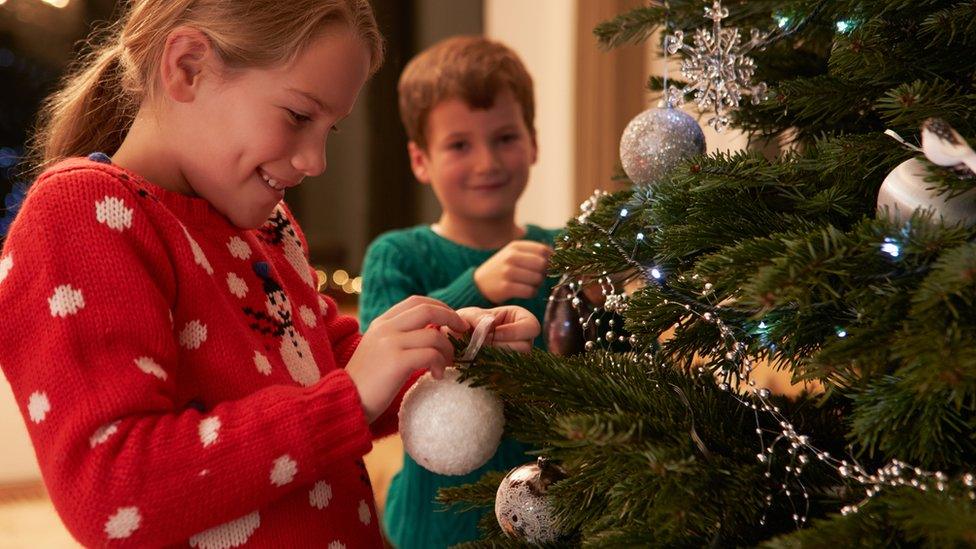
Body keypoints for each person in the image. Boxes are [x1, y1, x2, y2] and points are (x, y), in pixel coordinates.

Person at [0, 2, 539, 547]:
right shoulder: (80, 213)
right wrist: (349, 397)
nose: (316, 160)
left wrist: (453, 349)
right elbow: (113, 490)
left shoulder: (268, 227)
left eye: (331, 127)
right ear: (187, 67)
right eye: (299, 117)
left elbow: (326, 369)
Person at [359, 36, 560, 548]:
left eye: (505, 137)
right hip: (432, 530)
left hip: (552, 520)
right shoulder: (396, 255)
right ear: (420, 160)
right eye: (459, 145)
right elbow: (382, 375)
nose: (487, 161)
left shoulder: (561, 254)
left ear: (534, 142)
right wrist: (476, 286)